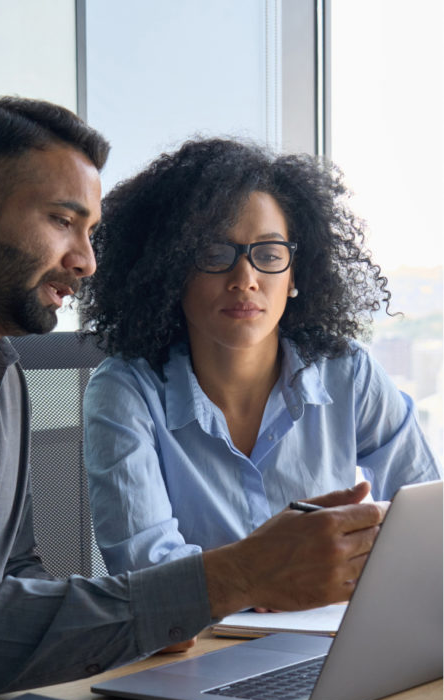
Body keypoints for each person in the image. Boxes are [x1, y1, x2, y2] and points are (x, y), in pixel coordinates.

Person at [0, 99, 385, 700]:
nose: (86, 260)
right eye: (61, 221)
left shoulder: (2, 371)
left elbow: (15, 574)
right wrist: (235, 578)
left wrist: (146, 621)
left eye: (90, 232)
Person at [81, 138, 441, 577]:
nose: (246, 279)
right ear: (172, 270)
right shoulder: (124, 392)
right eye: (215, 253)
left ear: (294, 275)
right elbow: (149, 574)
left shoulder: (348, 373)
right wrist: (265, 580)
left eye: (269, 255)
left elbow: (426, 523)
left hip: (332, 631)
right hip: (199, 644)